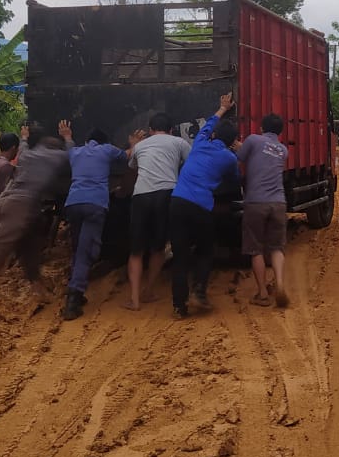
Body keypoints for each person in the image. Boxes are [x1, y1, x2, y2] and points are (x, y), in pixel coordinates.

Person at [0, 124, 69, 301]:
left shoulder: (27, 154)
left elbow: (23, 146)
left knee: (30, 247)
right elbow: (71, 155)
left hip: (14, 203)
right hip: (21, 206)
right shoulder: (55, 155)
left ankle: (37, 288)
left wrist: (24, 137)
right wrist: (68, 137)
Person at [168, 93, 240, 318]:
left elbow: (208, 125)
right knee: (206, 250)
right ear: (231, 143)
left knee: (179, 256)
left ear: (214, 136)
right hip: (200, 206)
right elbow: (235, 180)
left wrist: (222, 108)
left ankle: (179, 306)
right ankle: (199, 290)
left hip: (177, 201)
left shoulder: (199, 143)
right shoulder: (229, 158)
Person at [58, 120, 130, 321]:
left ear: (88, 140)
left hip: (73, 203)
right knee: (87, 251)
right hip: (95, 204)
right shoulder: (106, 150)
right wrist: (134, 143)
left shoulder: (75, 152)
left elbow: (69, 145)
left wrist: (67, 135)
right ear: (102, 142)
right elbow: (127, 156)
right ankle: (73, 299)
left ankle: (76, 291)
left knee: (77, 246)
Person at [124, 111, 190, 311]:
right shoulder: (179, 143)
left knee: (136, 251)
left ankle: (134, 299)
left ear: (150, 130)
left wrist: (134, 144)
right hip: (166, 194)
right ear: (171, 130)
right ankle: (149, 290)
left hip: (141, 196)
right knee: (158, 247)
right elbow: (190, 164)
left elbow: (132, 166)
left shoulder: (140, 146)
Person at [237, 112, 291, 307]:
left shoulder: (252, 140)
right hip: (278, 203)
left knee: (255, 249)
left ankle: (262, 293)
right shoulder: (283, 150)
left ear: (261, 128)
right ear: (280, 131)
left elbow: (239, 157)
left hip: (256, 202)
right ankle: (281, 283)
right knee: (277, 248)